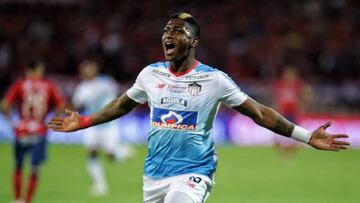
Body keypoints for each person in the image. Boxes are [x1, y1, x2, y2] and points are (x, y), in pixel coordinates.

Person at [48, 13, 349, 203]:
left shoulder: (214, 79)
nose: (169, 34)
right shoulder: (150, 74)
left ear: (193, 42)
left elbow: (259, 113)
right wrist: (83, 121)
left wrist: (306, 136)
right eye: (167, 29)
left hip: (193, 173)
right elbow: (120, 106)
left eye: (177, 30)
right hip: (153, 175)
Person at [3, 60, 64, 203]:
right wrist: (52, 119)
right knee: (34, 169)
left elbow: (5, 105)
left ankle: (17, 199)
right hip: (39, 130)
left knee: (18, 166)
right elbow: (61, 105)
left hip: (21, 130)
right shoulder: (49, 86)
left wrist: (12, 122)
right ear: (34, 70)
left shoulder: (19, 84)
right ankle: (28, 200)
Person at [72, 60, 132, 196]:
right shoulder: (82, 88)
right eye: (84, 70)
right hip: (92, 124)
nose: (87, 72)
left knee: (110, 155)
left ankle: (123, 152)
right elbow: (77, 105)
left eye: (89, 69)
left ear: (95, 70)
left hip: (108, 125)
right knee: (92, 152)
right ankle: (100, 185)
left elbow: (118, 97)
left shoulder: (106, 82)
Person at [272, 66, 313, 161]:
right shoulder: (280, 84)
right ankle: (283, 153)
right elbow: (277, 98)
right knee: (280, 135)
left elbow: (305, 95)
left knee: (293, 135)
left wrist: (303, 105)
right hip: (282, 113)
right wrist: (276, 108)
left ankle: (289, 154)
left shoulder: (297, 85)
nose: (288, 76)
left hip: (293, 114)